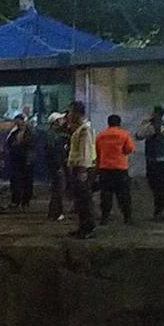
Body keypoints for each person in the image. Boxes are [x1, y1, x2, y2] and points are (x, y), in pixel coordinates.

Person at [136, 105, 164, 220]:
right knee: (161, 186)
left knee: (156, 186)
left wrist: (145, 122)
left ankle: (162, 210)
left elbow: (139, 135)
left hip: (154, 159)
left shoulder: (153, 127)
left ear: (155, 114)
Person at [95, 114, 135, 225]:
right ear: (119, 123)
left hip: (105, 168)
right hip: (120, 168)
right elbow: (129, 149)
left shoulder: (101, 135)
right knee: (123, 194)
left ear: (108, 123)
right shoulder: (124, 134)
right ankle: (127, 218)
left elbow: (97, 151)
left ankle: (105, 218)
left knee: (106, 194)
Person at [66, 101, 97, 239]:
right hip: (78, 168)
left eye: (71, 112)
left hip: (83, 168)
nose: (69, 115)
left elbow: (85, 151)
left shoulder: (85, 129)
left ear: (77, 113)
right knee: (80, 200)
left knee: (84, 199)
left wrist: (83, 170)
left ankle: (88, 228)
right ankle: (83, 227)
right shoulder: (79, 129)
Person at [5, 114, 35, 209]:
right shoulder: (14, 132)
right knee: (15, 181)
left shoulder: (30, 132)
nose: (17, 122)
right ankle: (16, 200)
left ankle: (26, 201)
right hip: (16, 160)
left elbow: (31, 143)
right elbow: (9, 143)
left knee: (27, 181)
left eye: (19, 120)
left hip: (27, 160)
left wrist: (20, 143)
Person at [45, 113, 71, 221]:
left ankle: (54, 212)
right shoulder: (54, 135)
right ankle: (56, 213)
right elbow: (54, 152)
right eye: (60, 119)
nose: (63, 121)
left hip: (56, 165)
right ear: (55, 122)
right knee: (58, 189)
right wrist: (58, 166)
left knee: (58, 189)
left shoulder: (54, 134)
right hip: (57, 166)